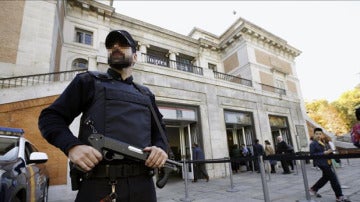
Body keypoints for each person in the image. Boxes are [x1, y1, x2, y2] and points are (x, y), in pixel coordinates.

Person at [38, 30, 169, 202]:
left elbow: (160, 133)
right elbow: (50, 118)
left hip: (143, 187)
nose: (115, 47)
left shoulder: (146, 94)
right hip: (98, 187)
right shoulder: (88, 82)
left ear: (135, 57)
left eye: (123, 44)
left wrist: (160, 149)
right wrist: (72, 147)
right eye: (111, 45)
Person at [309, 128, 351, 202]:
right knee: (333, 179)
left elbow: (329, 151)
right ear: (314, 134)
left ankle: (313, 189)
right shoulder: (313, 144)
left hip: (328, 162)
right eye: (317, 134)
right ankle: (339, 196)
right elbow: (312, 155)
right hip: (321, 163)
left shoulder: (324, 142)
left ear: (322, 134)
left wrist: (336, 159)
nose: (318, 135)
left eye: (320, 134)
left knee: (325, 177)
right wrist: (323, 153)